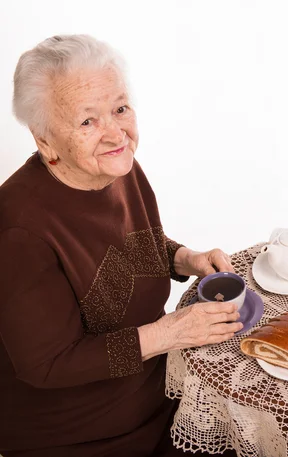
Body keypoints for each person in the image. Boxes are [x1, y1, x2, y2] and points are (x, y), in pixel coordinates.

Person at [0, 35, 241, 457]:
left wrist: (185, 258)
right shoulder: (19, 231)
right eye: (87, 121)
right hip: (79, 435)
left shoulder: (114, 165)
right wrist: (169, 333)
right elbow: (47, 364)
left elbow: (126, 249)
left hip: (160, 396)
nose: (115, 133)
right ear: (45, 141)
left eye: (120, 108)